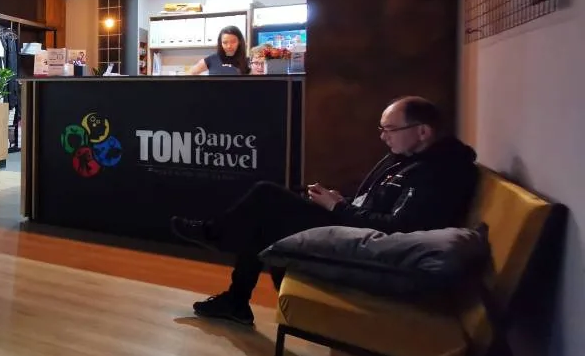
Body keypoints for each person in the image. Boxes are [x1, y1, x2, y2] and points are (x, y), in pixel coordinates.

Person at [170, 96, 479, 326]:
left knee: (266, 198)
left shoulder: (439, 172)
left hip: (363, 245)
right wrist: (339, 201)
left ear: (423, 132)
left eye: (390, 129)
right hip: (352, 224)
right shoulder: (416, 160)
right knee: (269, 209)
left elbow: (398, 229)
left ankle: (218, 241)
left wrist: (339, 207)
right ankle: (235, 297)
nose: (384, 137)